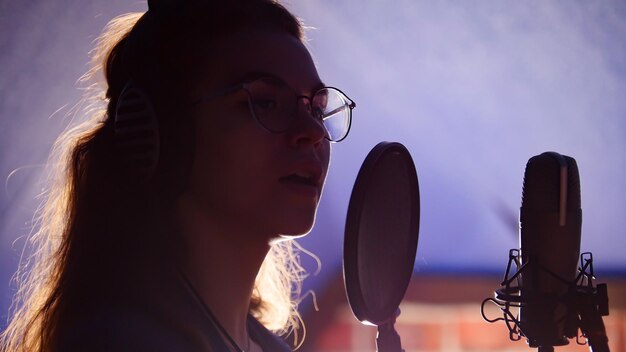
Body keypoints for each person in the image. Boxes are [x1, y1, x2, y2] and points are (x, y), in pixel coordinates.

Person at [0, 0, 355, 351]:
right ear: (165, 132)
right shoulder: (117, 343)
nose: (311, 130)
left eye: (317, 108)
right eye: (263, 102)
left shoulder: (269, 346)